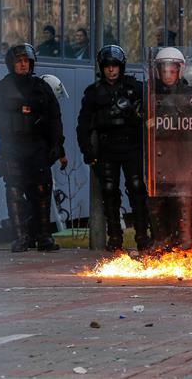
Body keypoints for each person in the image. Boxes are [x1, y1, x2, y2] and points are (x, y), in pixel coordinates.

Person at [77, 45, 150, 251]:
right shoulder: (93, 93)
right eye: (107, 66)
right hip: (107, 147)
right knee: (109, 190)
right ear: (102, 68)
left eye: (115, 66)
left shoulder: (135, 87)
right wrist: (87, 150)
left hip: (132, 145)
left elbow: (149, 114)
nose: (111, 70)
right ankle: (115, 236)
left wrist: (135, 114)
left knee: (136, 187)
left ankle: (142, 235)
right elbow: (83, 124)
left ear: (121, 67)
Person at [0, 44, 66, 252]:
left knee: (42, 190)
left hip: (38, 148)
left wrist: (57, 145)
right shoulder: (0, 89)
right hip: (12, 148)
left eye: (27, 61)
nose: (24, 64)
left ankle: (44, 236)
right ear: (11, 64)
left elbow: (55, 118)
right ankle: (21, 237)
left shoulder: (41, 88)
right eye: (19, 61)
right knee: (14, 191)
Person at [146, 47, 192, 251]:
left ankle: (186, 240)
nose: (167, 74)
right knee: (156, 198)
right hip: (160, 156)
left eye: (172, 70)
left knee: (183, 198)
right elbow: (145, 124)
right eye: (164, 70)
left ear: (180, 70)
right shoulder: (150, 94)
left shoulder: (191, 95)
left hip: (184, 155)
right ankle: (161, 239)